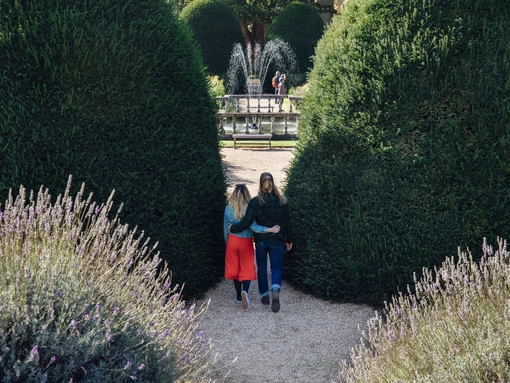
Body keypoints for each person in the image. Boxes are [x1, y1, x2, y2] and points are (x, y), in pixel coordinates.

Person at [230, 173, 293, 313]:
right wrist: (289, 239)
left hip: (261, 240)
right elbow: (288, 222)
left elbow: (246, 222)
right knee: (276, 267)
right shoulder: (282, 201)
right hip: (277, 240)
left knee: (262, 267)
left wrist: (232, 229)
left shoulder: (254, 202)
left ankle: (264, 296)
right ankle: (275, 288)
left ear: (260, 183)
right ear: (273, 182)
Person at [224, 184, 280, 309]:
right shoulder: (249, 208)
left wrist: (227, 242)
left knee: (235, 267)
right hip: (245, 241)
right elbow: (254, 227)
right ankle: (245, 292)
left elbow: (224, 229)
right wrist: (269, 229)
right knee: (246, 266)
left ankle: (238, 296)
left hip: (232, 241)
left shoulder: (228, 209)